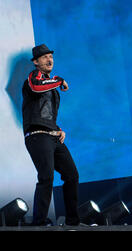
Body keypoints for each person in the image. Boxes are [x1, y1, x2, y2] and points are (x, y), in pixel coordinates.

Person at [22, 44, 79, 226]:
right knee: (46, 177)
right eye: (45, 57)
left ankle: (72, 221)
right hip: (38, 136)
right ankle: (38, 223)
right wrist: (59, 80)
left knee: (72, 175)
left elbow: (46, 115)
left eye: (51, 57)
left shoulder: (50, 85)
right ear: (36, 62)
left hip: (52, 135)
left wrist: (58, 129)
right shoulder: (33, 78)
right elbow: (38, 88)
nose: (49, 60)